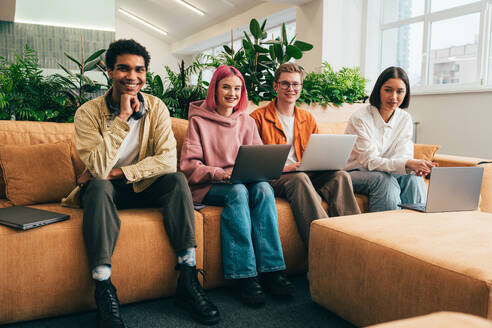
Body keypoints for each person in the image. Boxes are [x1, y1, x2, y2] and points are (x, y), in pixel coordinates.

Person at [64, 39, 220, 327]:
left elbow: (167, 161)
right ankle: (104, 288)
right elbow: (97, 169)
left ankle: (187, 279)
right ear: (109, 70)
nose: (132, 77)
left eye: (139, 70)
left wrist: (117, 173)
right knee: (97, 186)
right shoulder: (87, 113)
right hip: (105, 193)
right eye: (123, 69)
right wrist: (122, 118)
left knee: (175, 180)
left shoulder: (157, 108)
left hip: (141, 186)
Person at [180, 65, 294, 307]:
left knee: (264, 188)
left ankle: (272, 270)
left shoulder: (246, 121)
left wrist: (258, 171)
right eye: (226, 87)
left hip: (243, 180)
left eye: (237, 88)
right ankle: (245, 275)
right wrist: (221, 174)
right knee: (238, 191)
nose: (232, 93)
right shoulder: (198, 121)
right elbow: (189, 167)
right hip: (210, 185)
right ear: (215, 89)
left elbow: (258, 156)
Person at [250, 63, 361, 246]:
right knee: (299, 178)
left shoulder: (307, 118)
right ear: (275, 85)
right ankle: (323, 244)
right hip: (277, 177)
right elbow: (256, 164)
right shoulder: (257, 118)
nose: (290, 89)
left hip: (305, 173)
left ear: (301, 87)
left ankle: (355, 239)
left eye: (295, 84)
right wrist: (288, 167)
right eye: (285, 84)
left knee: (340, 176)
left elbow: (316, 152)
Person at [345, 66, 436, 212]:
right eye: (388, 90)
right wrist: (407, 163)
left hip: (384, 171)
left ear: (406, 93)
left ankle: (417, 229)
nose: (394, 97)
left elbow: (403, 156)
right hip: (354, 173)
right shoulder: (360, 118)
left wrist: (411, 167)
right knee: (384, 181)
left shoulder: (404, 118)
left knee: (413, 178)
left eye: (400, 91)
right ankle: (386, 231)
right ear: (379, 89)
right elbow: (370, 161)